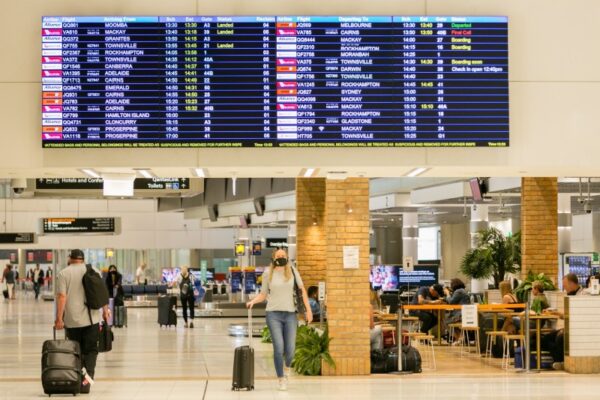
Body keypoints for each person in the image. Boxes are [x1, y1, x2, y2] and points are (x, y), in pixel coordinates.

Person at [246, 249, 312, 391]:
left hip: (290, 315)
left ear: (287, 258)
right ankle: (281, 378)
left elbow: (302, 290)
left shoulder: (293, 271)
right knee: (278, 348)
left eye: (283, 256)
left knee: (290, 349)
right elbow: (263, 295)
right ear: (273, 258)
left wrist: (308, 310)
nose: (281, 257)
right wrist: (253, 301)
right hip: (273, 314)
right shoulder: (267, 274)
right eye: (278, 256)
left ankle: (287, 367)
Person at [55, 249, 110, 394]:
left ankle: (76, 379)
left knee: (75, 352)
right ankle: (87, 382)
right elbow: (101, 293)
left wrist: (59, 319)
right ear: (83, 259)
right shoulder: (93, 270)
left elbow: (61, 297)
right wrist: (105, 310)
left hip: (72, 321)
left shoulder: (63, 273)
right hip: (92, 319)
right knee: (91, 351)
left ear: (70, 258)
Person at [443, 278, 471, 342]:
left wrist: (447, 293)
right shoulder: (462, 290)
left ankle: (459, 337)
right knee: (449, 319)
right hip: (464, 314)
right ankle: (460, 337)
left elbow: (451, 302)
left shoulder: (459, 291)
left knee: (446, 321)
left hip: (460, 315)